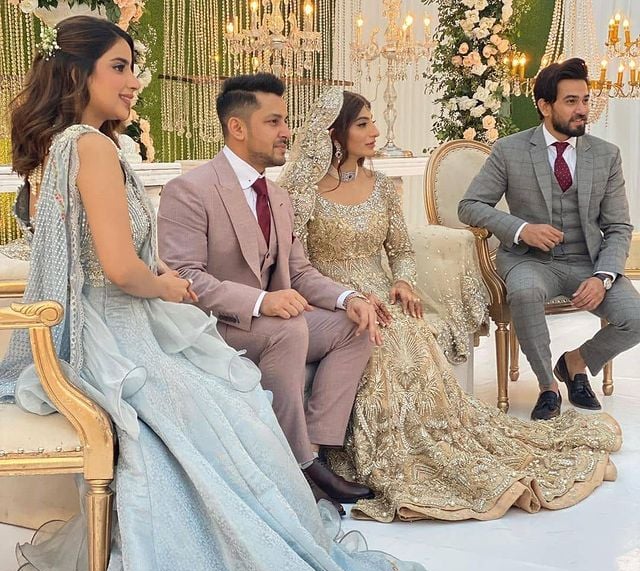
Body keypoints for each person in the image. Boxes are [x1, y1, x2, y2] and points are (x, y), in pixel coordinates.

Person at [0, 17, 452, 571]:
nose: (133, 81)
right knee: (223, 407)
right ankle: (252, 540)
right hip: (123, 330)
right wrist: (168, 286)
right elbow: (120, 269)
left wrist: (346, 296)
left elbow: (107, 255)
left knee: (235, 396)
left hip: (116, 323)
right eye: (119, 68)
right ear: (79, 74)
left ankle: (305, 463)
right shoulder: (97, 149)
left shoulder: (66, 147)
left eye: (133, 67)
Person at [278, 87, 622, 524]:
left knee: (409, 332)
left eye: (373, 121)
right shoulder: (303, 192)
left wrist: (403, 281)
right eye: (363, 124)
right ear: (335, 133)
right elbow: (296, 265)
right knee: (381, 342)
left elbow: (400, 249)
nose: (375, 131)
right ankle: (347, 458)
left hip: (383, 295)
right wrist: (343, 298)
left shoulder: (382, 187)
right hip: (331, 300)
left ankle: (433, 448)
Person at [158, 73, 378, 509]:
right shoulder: (190, 190)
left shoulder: (277, 196)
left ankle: (314, 449)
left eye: (286, 121)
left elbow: (299, 272)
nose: (287, 132)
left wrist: (348, 298)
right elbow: (184, 276)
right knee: (289, 328)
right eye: (274, 122)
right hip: (212, 327)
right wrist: (262, 301)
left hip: (269, 325)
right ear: (237, 127)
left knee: (354, 326)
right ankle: (296, 466)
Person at [459, 57, 640, 420]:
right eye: (571, 101)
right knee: (525, 293)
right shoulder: (509, 150)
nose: (582, 110)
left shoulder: (606, 155)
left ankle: (574, 363)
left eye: (585, 100)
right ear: (544, 106)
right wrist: (521, 229)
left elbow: (619, 226)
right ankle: (548, 386)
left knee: (636, 318)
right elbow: (470, 206)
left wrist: (603, 277)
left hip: (588, 261)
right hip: (530, 260)